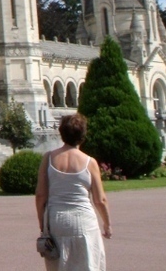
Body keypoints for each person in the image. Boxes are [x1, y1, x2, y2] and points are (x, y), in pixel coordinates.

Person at [35, 114, 111, 270]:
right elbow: (100, 200)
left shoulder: (48, 158)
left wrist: (42, 223)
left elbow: (40, 195)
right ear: (83, 135)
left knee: (58, 264)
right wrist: (107, 224)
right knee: (88, 263)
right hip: (83, 220)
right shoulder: (90, 162)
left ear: (62, 133)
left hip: (56, 219)